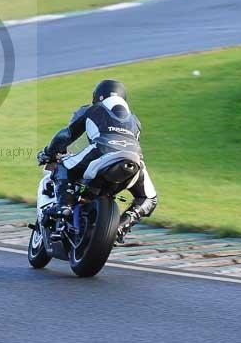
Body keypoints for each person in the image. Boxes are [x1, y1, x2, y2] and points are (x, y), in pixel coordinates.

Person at [37, 80, 157, 241]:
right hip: (134, 159)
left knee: (63, 166)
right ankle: (122, 226)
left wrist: (49, 152)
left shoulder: (93, 109)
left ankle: (64, 206)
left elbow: (66, 135)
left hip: (102, 150)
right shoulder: (135, 120)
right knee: (149, 197)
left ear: (98, 96)